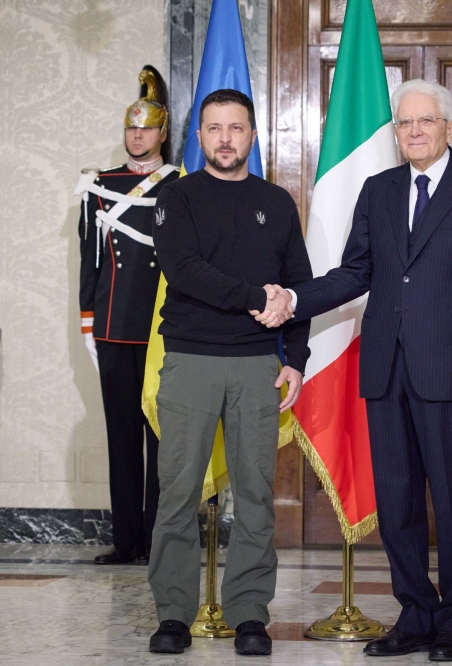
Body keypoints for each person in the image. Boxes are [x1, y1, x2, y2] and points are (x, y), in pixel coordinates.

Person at [260, 79, 452, 662]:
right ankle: (416, 613)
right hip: (386, 369)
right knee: (397, 501)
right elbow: (356, 274)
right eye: (405, 123)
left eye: (426, 121)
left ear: (447, 127)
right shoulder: (378, 190)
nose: (416, 131)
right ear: (395, 132)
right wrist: (296, 300)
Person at [146, 89, 312, 657]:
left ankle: (249, 615)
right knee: (177, 494)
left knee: (256, 497)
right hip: (191, 360)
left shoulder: (278, 201)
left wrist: (296, 358)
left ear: (253, 136)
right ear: (199, 138)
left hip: (257, 366)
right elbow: (184, 269)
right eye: (214, 129)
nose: (224, 138)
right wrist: (251, 297)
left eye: (235, 128)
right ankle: (172, 614)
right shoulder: (178, 197)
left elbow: (296, 286)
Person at [75, 65, 179, 566]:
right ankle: (126, 539)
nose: (137, 136)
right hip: (115, 327)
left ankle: (160, 537)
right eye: (130, 129)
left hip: (163, 330)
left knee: (162, 438)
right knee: (121, 437)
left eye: (146, 128)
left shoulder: (180, 185)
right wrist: (87, 320)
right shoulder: (100, 185)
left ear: (163, 133)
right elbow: (90, 258)